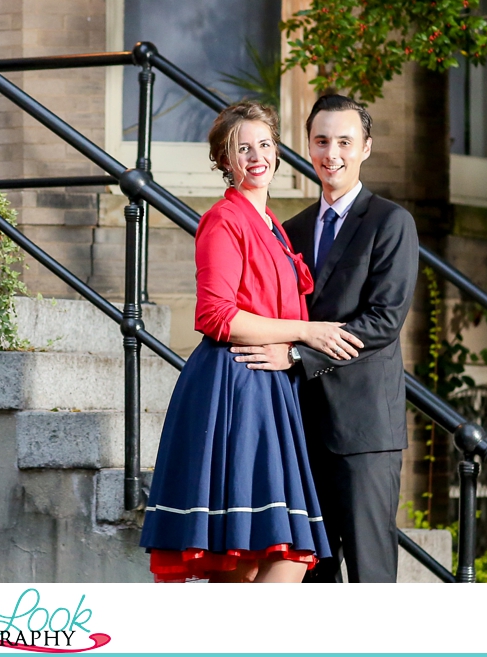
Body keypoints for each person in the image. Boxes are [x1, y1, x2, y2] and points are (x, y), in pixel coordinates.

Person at [142, 101, 353, 582]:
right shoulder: (223, 219)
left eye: (264, 145)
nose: (256, 156)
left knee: (277, 552)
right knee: (249, 555)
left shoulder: (274, 225)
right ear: (225, 160)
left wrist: (296, 345)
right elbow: (216, 315)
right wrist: (305, 331)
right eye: (243, 148)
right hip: (235, 383)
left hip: (272, 387)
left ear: (277, 152)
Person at [261, 93, 419, 583]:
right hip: (304, 427)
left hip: (365, 431)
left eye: (345, 142)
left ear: (365, 148)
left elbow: (383, 320)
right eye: (322, 141)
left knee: (370, 574)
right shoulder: (291, 231)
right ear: (308, 147)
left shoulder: (391, 223)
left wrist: (296, 353)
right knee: (312, 574)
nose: (333, 153)